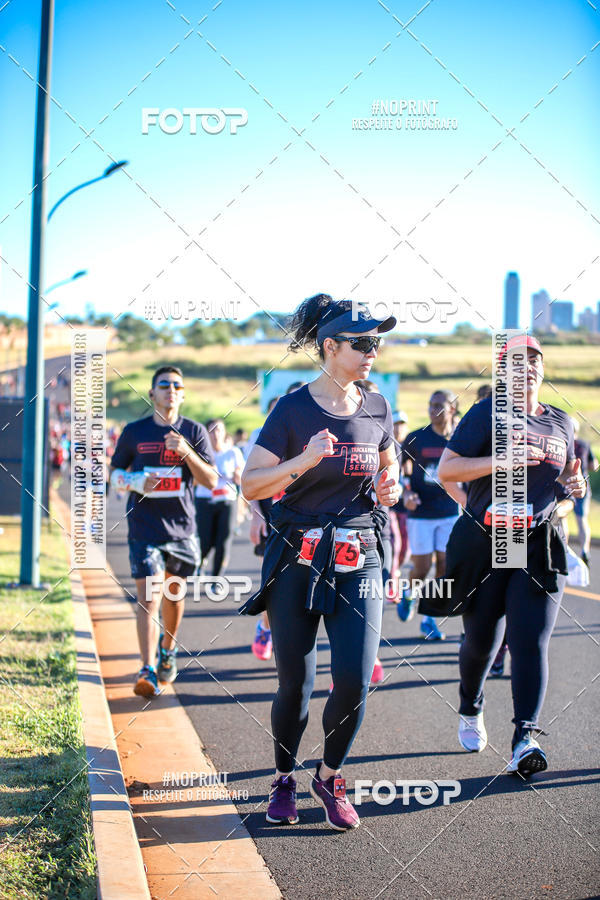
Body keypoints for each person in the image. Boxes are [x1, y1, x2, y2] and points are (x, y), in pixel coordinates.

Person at [241, 293, 399, 830]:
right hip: (298, 556)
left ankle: (329, 775)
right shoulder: (291, 409)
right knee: (295, 684)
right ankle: (283, 776)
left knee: (354, 679)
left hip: (360, 554)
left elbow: (387, 467)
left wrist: (390, 484)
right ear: (330, 346)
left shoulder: (377, 406)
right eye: (361, 342)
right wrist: (306, 457)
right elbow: (251, 485)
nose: (371, 351)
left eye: (376, 342)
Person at [438, 336, 586, 776]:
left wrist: (575, 493)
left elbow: (568, 488)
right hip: (488, 538)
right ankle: (470, 704)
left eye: (534, 360)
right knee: (482, 639)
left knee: (529, 641)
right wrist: (501, 461)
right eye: (516, 362)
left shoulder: (561, 422)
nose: (528, 369)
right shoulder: (489, 412)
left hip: (538, 541)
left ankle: (524, 738)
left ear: (542, 368)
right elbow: (448, 469)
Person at [110, 366, 217, 697]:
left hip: (182, 529)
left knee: (173, 596)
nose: (171, 389)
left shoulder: (194, 431)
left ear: (183, 394)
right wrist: (135, 481)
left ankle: (168, 649)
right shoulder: (134, 432)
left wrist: (186, 453)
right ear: (152, 392)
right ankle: (147, 668)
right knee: (148, 598)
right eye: (164, 385)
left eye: (177, 385)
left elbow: (212, 480)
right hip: (144, 527)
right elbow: (114, 473)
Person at [397, 390, 466, 638]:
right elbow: (400, 470)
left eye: (439, 405)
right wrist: (406, 493)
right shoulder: (417, 438)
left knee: (445, 566)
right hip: (421, 512)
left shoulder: (461, 438)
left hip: (449, 510)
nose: (432, 409)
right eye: (430, 404)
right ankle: (409, 592)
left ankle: (429, 619)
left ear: (452, 409)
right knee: (422, 567)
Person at [195, 418, 244, 584]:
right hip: (205, 500)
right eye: (212, 431)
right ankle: (200, 564)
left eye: (219, 430)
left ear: (224, 433)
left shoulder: (233, 452)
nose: (215, 434)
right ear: (207, 434)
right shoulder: (201, 453)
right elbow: (194, 480)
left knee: (223, 541)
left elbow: (241, 475)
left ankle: (217, 578)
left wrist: (237, 476)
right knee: (205, 540)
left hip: (227, 501)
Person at [571, 417, 598, 568]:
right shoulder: (584, 444)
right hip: (582, 487)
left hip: (565, 488)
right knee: (582, 520)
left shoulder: (563, 443)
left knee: (561, 521)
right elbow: (593, 466)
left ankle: (564, 552)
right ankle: (584, 550)